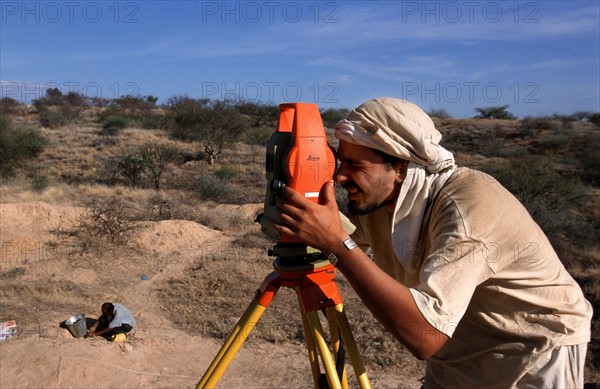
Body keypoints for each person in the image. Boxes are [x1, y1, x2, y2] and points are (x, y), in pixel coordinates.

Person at [274, 97, 593, 388]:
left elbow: (424, 337)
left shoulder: (468, 207)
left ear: (400, 167)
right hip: (458, 349)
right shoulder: (380, 201)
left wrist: (337, 244)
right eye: (340, 162)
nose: (340, 177)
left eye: (356, 165)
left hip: (533, 350)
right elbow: (332, 235)